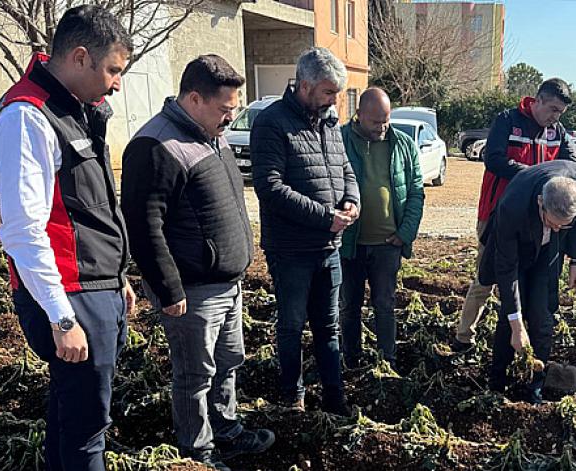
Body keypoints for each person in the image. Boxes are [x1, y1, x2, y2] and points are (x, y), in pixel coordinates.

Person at [0, 6, 135, 470]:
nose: (116, 83)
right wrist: (61, 316)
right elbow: (23, 230)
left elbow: (90, 209)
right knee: (87, 427)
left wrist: (116, 277)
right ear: (79, 56)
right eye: (112, 70)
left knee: (72, 415)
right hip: (68, 295)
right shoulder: (26, 117)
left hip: (94, 286)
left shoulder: (74, 111)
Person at [120, 55, 275, 470]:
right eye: (225, 109)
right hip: (191, 289)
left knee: (229, 362)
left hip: (228, 283)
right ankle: (198, 452)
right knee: (194, 375)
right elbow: (144, 225)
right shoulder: (155, 146)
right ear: (194, 99)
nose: (231, 117)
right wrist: (168, 289)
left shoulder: (210, 134)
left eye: (234, 108)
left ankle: (226, 430)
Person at [250, 47, 359, 415]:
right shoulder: (272, 122)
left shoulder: (329, 122)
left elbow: (346, 170)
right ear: (306, 85)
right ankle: (292, 395)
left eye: (337, 94)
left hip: (328, 247)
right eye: (329, 92)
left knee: (329, 327)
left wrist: (350, 202)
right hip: (291, 249)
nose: (334, 100)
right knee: (292, 325)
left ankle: (334, 396)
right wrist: (324, 217)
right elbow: (270, 186)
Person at [452, 78, 576, 351]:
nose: (556, 117)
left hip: (537, 219)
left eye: (561, 112)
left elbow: (571, 164)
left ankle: (514, 331)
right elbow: (494, 159)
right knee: (486, 276)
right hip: (498, 213)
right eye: (553, 109)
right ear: (538, 100)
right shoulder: (508, 120)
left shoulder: (557, 132)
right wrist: (533, 175)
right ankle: (464, 336)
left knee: (524, 279)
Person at [478, 160, 576, 403]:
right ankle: (497, 384)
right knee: (510, 317)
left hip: (548, 253)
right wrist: (517, 326)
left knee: (543, 315)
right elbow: (507, 268)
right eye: (552, 222)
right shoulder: (513, 206)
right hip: (517, 249)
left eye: (562, 225)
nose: (555, 228)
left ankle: (535, 387)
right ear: (541, 203)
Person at [338, 87, 424, 368]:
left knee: (385, 305)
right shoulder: (340, 141)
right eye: (376, 121)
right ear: (359, 114)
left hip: (387, 244)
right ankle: (351, 359)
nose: (382, 127)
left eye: (386, 120)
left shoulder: (403, 145)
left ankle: (387, 359)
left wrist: (405, 233)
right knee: (349, 306)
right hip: (351, 243)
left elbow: (415, 191)